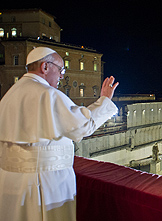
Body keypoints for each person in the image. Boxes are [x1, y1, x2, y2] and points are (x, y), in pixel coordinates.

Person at [0, 47, 119, 220]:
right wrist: (105, 100)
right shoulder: (48, 94)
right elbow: (84, 126)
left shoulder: (10, 94)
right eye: (61, 69)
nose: (62, 76)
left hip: (10, 183)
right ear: (45, 67)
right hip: (44, 185)